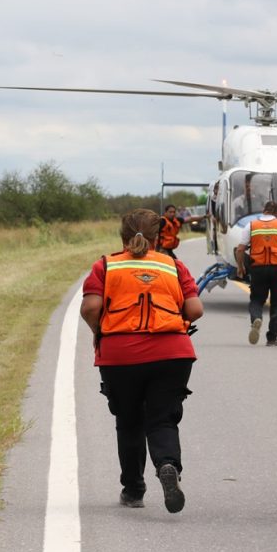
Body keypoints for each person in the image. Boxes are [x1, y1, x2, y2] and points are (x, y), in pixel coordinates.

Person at [80, 209, 204, 514]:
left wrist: (102, 331)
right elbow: (195, 309)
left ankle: (133, 490)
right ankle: (167, 465)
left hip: (120, 355)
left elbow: (90, 307)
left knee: (129, 421)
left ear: (122, 237)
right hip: (172, 354)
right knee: (162, 418)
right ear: (158, 238)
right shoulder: (173, 265)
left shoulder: (105, 266)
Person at [236, 201, 277, 346]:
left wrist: (240, 267)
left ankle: (256, 318)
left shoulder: (251, 225)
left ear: (263, 211)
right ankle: (272, 338)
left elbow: (240, 249)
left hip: (258, 268)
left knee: (257, 300)